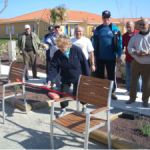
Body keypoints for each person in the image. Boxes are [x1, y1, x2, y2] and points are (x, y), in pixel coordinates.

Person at [47, 34, 91, 117]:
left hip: (78, 76)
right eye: (59, 46)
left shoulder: (76, 50)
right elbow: (53, 68)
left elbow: (85, 64)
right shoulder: (57, 54)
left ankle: (84, 107)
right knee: (63, 93)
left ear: (68, 44)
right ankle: (63, 109)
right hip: (66, 77)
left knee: (80, 93)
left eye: (62, 46)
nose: (61, 49)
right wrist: (49, 80)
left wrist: (87, 77)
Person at [93, 10, 122, 100]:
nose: (106, 19)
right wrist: (93, 55)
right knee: (100, 75)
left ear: (110, 17)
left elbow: (120, 43)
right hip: (99, 57)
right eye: (104, 17)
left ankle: (112, 92)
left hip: (111, 57)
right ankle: (100, 92)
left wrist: (119, 55)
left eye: (107, 17)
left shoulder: (115, 29)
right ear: (102, 18)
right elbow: (93, 43)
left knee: (111, 75)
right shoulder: (98, 29)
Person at [126, 18, 150, 107]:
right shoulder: (135, 37)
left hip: (147, 64)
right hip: (136, 62)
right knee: (133, 82)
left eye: (144, 24)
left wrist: (148, 53)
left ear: (148, 25)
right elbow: (129, 47)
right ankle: (132, 98)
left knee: (146, 84)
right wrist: (135, 52)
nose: (142, 26)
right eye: (140, 24)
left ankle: (145, 100)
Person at [122, 21, 142, 95]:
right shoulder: (124, 36)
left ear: (134, 26)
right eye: (127, 27)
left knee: (138, 77)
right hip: (128, 59)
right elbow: (121, 46)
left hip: (138, 59)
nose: (128, 28)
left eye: (129, 27)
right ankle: (128, 89)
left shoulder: (139, 34)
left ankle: (138, 91)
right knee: (128, 76)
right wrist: (118, 55)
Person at [42, 23, 63, 90]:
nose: (57, 29)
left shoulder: (65, 36)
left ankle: (64, 87)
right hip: (54, 58)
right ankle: (58, 87)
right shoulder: (50, 37)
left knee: (63, 73)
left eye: (58, 27)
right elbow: (47, 46)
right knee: (56, 73)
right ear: (54, 29)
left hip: (63, 57)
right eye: (55, 27)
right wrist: (44, 46)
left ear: (60, 28)